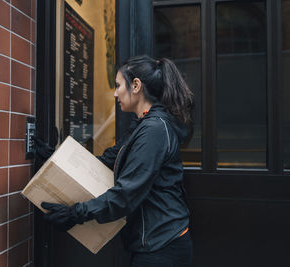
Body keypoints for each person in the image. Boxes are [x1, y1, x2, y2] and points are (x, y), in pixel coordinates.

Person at [41, 55, 194, 267]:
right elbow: (106, 161)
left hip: (162, 244)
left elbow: (127, 194)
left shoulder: (154, 130)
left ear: (136, 85)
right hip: (152, 241)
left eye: (118, 85)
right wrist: (54, 158)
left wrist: (75, 213)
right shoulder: (142, 126)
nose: (115, 93)